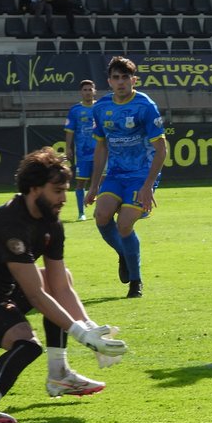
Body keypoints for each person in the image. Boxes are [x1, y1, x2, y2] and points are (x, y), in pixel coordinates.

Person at [0, 147, 128, 423]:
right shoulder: (10, 224)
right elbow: (36, 295)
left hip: (1, 289)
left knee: (63, 277)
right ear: (34, 189)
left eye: (65, 190)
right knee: (27, 345)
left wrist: (91, 329)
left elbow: (59, 286)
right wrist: (81, 334)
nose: (63, 199)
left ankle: (60, 374)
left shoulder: (50, 224)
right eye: (57, 191)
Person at [85, 56, 168, 299]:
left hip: (141, 175)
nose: (120, 82)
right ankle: (124, 253)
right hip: (116, 174)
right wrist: (93, 186)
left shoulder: (145, 106)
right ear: (109, 81)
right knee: (101, 216)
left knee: (124, 224)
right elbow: (101, 147)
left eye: (125, 77)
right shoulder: (101, 108)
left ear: (134, 80)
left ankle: (136, 280)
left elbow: (161, 148)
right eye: (115, 78)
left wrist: (148, 185)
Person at [63, 80, 97, 221]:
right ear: (81, 92)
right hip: (82, 154)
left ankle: (99, 211)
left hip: (100, 152)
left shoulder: (100, 107)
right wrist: (68, 148)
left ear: (94, 91)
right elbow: (70, 131)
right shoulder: (75, 110)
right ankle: (81, 212)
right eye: (85, 89)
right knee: (81, 183)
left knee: (100, 182)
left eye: (90, 89)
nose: (88, 92)